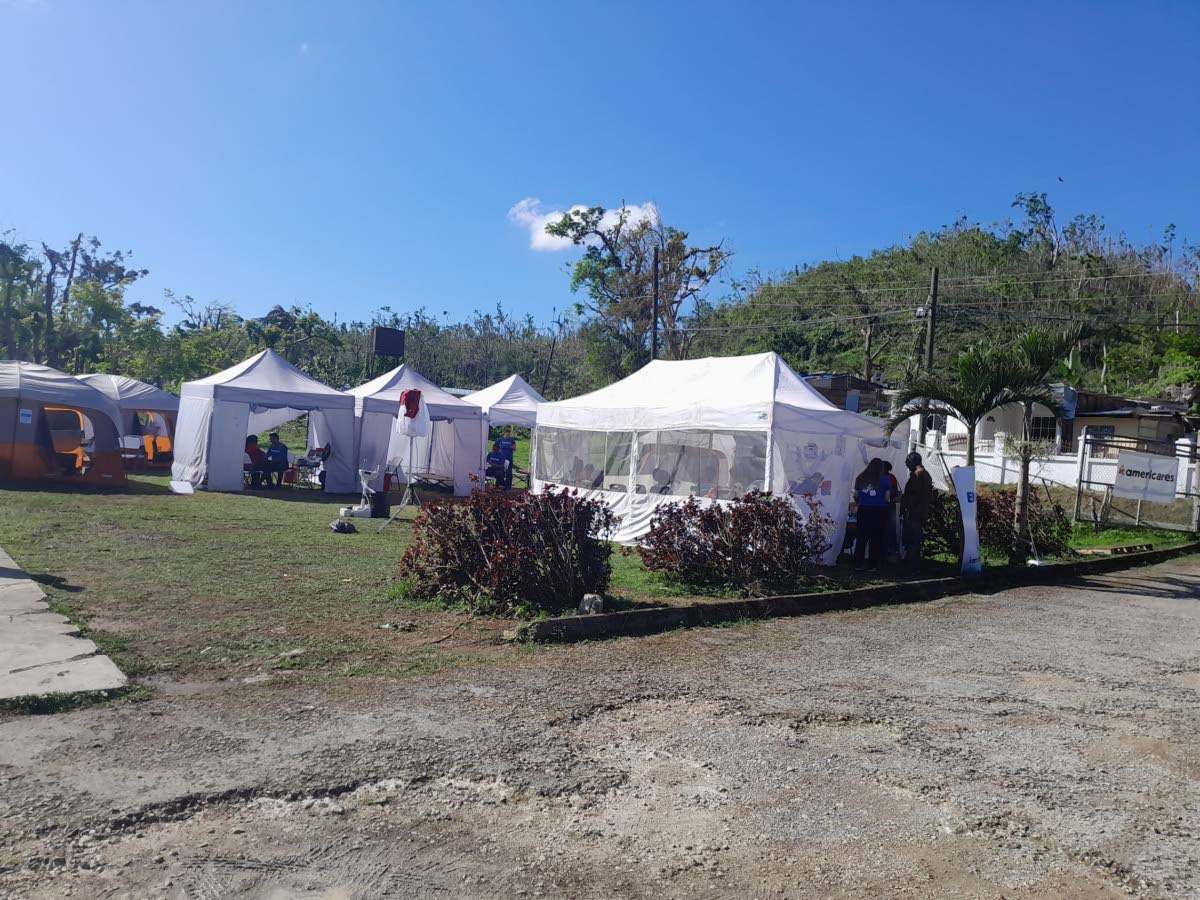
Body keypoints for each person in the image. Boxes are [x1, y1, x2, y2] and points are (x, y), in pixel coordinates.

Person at [852, 457, 892, 572]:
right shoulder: (885, 480)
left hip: (864, 510)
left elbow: (856, 495)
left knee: (861, 538)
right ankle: (872, 564)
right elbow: (887, 497)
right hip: (879, 511)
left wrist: (862, 500)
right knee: (876, 538)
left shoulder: (860, 478)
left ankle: (858, 564)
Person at [900, 451, 934, 565]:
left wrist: (907, 509)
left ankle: (911, 565)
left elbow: (914, 495)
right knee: (915, 539)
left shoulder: (917, 474)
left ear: (913, 461)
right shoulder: (926, 474)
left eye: (907, 461)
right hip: (921, 511)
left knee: (912, 540)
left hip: (914, 512)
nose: (906, 464)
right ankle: (913, 564)